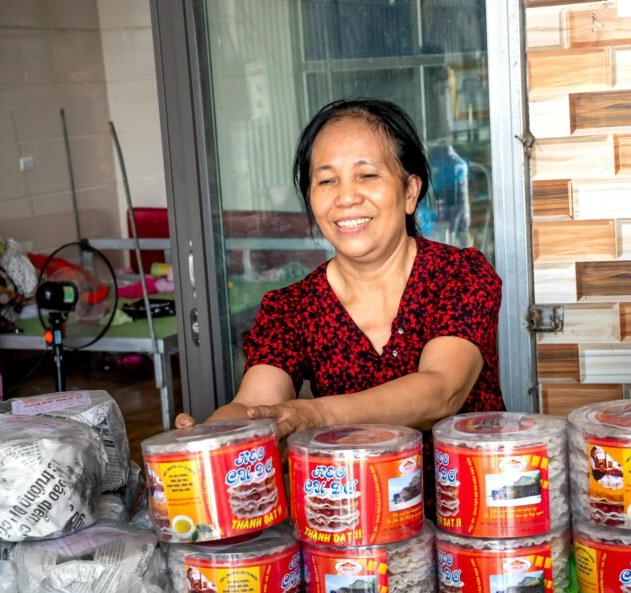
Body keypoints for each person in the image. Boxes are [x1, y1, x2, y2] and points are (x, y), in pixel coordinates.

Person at [176, 98, 502, 437]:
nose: (346, 197)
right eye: (327, 181)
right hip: (352, 490)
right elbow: (255, 404)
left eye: (368, 175)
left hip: (473, 488)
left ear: (410, 191)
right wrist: (212, 435)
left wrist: (317, 413)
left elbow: (442, 391)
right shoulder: (292, 309)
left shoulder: (460, 275)